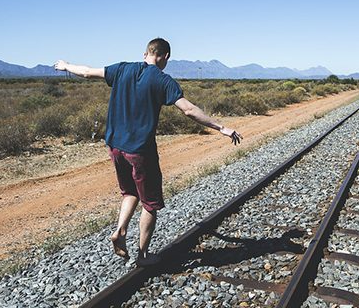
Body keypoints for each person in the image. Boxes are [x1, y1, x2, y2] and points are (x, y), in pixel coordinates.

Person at [54, 38, 242, 266]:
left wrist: (65, 65)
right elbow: (189, 110)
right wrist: (221, 127)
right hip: (141, 150)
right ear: (165, 57)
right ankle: (143, 256)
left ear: (146, 53)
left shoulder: (122, 69)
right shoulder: (163, 80)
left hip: (115, 147)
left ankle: (120, 231)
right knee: (150, 204)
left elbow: (85, 72)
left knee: (129, 193)